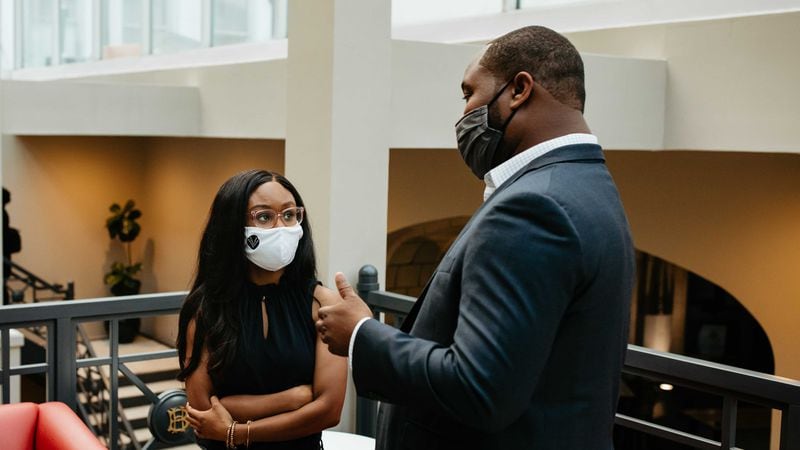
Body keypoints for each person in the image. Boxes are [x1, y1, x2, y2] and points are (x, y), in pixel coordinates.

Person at [316, 26, 635, 450]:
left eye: (469, 94)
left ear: (519, 89)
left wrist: (361, 335)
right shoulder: (590, 185)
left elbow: (480, 388)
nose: (463, 114)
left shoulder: (533, 209)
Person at [178, 169, 347, 449]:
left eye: (290, 215)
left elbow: (328, 411)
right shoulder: (205, 308)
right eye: (265, 217)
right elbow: (203, 413)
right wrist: (292, 400)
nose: (281, 227)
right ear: (232, 227)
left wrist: (234, 429)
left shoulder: (324, 304)